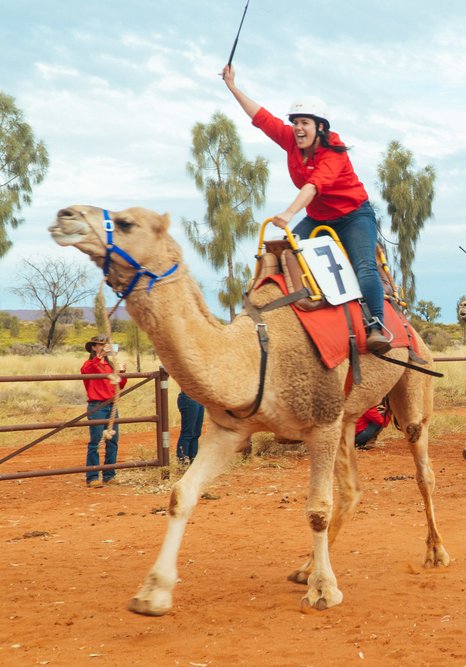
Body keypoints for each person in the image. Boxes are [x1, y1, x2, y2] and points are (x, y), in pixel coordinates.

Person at [221, 64, 391, 354]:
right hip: (319, 217)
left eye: (305, 123)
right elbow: (262, 119)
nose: (298, 128)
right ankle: (270, 314)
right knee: (281, 251)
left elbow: (313, 186)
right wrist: (232, 86)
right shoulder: (290, 141)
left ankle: (376, 325)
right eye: (296, 122)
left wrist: (288, 213)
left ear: (320, 127)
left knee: (364, 265)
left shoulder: (333, 154)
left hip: (353, 216)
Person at [81, 335, 126, 488]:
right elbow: (86, 371)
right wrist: (97, 359)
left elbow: (119, 385)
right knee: (95, 442)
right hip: (96, 406)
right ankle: (92, 476)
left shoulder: (110, 366)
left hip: (111, 405)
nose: (104, 347)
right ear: (94, 347)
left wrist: (122, 373)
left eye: (106, 345)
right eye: (100, 345)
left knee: (112, 441)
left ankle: (109, 474)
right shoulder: (89, 364)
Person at [176, 391, 205, 465]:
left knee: (196, 433)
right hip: (189, 397)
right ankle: (182, 462)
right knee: (187, 433)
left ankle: (194, 462)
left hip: (199, 399)